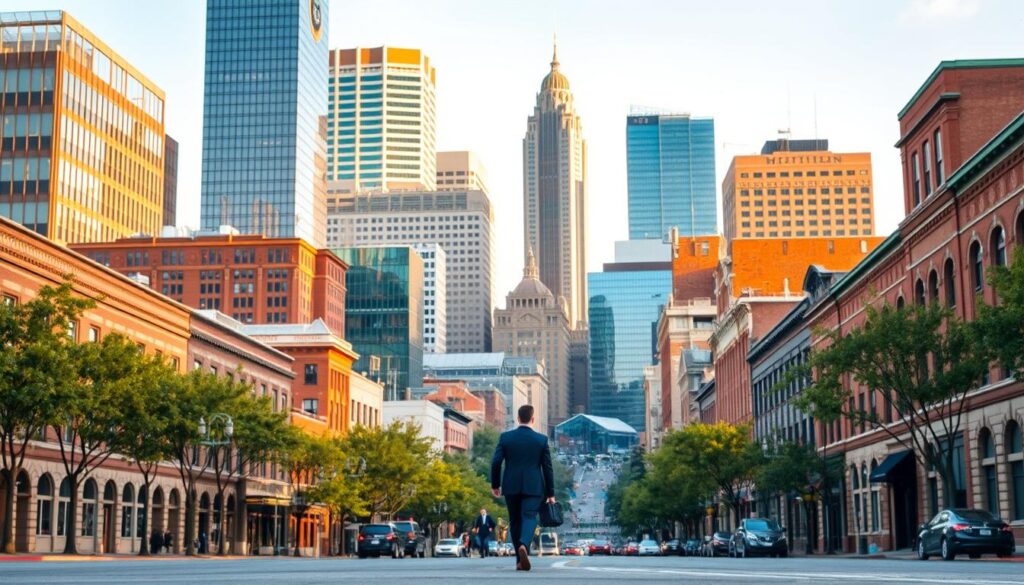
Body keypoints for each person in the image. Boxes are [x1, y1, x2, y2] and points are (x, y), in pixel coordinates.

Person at [490, 404, 555, 572]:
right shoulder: (541, 440)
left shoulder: (505, 438)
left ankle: (520, 561)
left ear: (518, 419)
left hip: (511, 485)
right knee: (529, 517)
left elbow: (496, 462)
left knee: (515, 520)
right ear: (532, 419)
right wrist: (550, 493)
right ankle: (524, 546)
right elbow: (547, 468)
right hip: (534, 486)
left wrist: (495, 484)